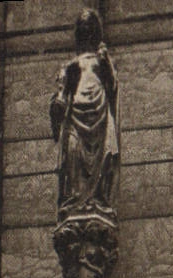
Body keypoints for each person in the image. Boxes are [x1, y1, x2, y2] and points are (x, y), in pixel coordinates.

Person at [50, 9, 119, 219]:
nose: (87, 31)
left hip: (99, 117)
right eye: (83, 27)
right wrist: (64, 85)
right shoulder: (69, 67)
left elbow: (113, 89)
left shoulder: (102, 61)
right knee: (73, 158)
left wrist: (106, 63)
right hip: (76, 121)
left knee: (103, 161)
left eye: (90, 27)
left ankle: (99, 199)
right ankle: (76, 200)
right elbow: (57, 110)